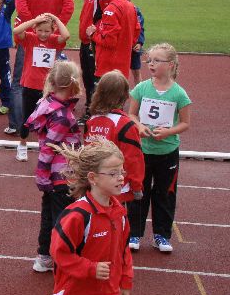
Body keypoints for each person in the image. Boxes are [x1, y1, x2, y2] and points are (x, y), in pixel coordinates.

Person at [50, 138, 133, 295]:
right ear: (93, 178)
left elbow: (124, 250)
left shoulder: (119, 213)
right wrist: (90, 269)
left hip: (107, 293)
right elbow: (59, 253)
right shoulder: (77, 215)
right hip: (78, 294)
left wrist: (125, 281)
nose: (121, 177)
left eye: (121, 171)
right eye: (113, 173)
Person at [127, 43, 191, 253]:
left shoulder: (179, 94)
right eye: (149, 60)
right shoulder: (141, 88)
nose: (151, 64)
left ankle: (161, 235)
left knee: (165, 193)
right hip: (142, 151)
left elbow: (185, 123)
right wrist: (139, 126)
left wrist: (168, 132)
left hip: (167, 153)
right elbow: (131, 114)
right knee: (139, 191)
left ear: (170, 64)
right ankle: (134, 233)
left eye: (157, 60)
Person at [8, 0, 74, 135]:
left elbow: (22, 10)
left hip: (30, 38)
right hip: (51, 39)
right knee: (51, 81)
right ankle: (49, 124)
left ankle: (18, 125)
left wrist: (35, 31)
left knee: (20, 82)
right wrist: (53, 28)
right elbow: (69, 8)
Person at [25, 60, 82, 272]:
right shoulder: (63, 116)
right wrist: (41, 174)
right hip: (63, 175)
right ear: (73, 84)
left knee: (49, 216)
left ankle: (44, 256)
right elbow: (50, 147)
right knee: (63, 219)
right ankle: (63, 260)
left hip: (53, 175)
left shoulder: (47, 103)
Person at [13, 13, 70, 161]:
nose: (43, 34)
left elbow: (66, 35)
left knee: (48, 120)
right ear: (35, 29)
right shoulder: (30, 38)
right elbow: (16, 30)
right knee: (27, 117)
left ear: (52, 30)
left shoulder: (54, 40)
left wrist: (56, 19)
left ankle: (45, 147)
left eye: (47, 31)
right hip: (30, 85)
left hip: (48, 88)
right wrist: (35, 20)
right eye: (40, 30)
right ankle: (22, 145)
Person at [84, 70, 145, 204]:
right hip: (118, 188)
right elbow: (133, 158)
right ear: (124, 96)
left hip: (95, 185)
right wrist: (136, 186)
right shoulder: (125, 124)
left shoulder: (91, 121)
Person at [86, 0, 140, 80]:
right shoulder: (130, 6)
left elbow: (108, 40)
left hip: (108, 67)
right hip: (123, 65)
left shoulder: (111, 9)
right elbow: (136, 33)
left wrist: (93, 34)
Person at [73, 0, 101, 123]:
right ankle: (91, 107)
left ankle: (93, 111)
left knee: (92, 77)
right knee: (87, 76)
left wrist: (94, 35)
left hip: (92, 42)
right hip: (86, 41)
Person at [123, 0, 145, 86]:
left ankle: (139, 92)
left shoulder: (136, 10)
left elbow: (140, 28)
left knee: (136, 71)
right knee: (121, 72)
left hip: (134, 45)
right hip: (122, 45)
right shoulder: (116, 8)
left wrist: (139, 43)